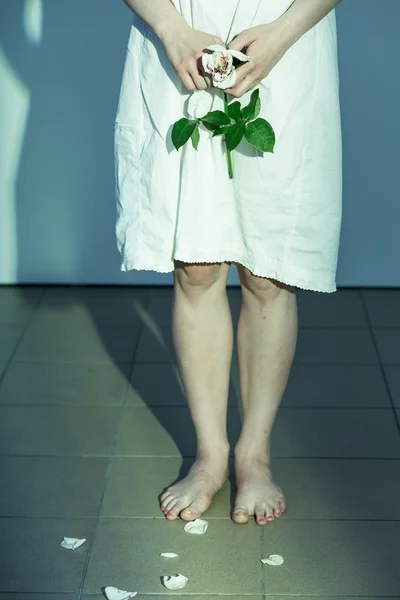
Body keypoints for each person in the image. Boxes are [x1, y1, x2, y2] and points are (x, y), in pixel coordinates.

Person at [115, 0, 342, 526]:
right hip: (182, 30)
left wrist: (285, 31)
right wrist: (171, 28)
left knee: (267, 270)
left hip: (286, 28)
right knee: (195, 264)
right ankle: (211, 453)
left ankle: (253, 454)